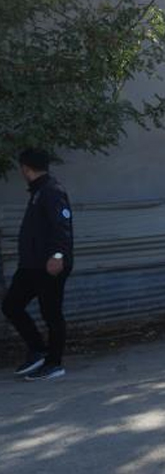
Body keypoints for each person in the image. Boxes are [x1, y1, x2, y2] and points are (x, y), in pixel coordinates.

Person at [3, 149, 74, 380]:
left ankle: (54, 363)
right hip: (32, 266)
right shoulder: (38, 192)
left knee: (51, 313)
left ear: (25, 168)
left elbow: (62, 226)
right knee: (11, 305)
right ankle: (38, 351)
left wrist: (57, 256)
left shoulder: (52, 191)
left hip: (49, 264)